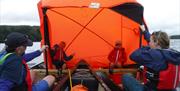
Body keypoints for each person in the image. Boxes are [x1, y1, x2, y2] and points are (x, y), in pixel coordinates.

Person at [122, 25, 180, 91]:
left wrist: (146, 47)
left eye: (150, 41)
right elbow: (155, 45)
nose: (149, 43)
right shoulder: (173, 54)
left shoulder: (155, 55)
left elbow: (133, 56)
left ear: (156, 42)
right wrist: (144, 31)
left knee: (126, 77)